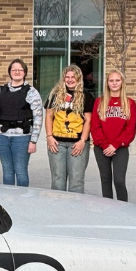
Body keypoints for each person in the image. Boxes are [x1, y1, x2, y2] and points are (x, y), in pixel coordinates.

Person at [0, 59, 44, 186]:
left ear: (25, 72)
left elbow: (38, 118)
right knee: (7, 171)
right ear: (9, 72)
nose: (17, 72)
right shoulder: (0, 90)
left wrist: (33, 141)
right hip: (2, 136)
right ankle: (9, 200)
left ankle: (22, 201)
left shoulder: (31, 92)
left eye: (20, 70)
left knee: (21, 171)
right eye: (14, 69)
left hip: (22, 138)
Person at [44, 64, 93, 193]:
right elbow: (49, 116)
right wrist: (49, 137)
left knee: (76, 181)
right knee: (57, 180)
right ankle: (58, 210)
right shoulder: (54, 95)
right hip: (57, 143)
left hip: (77, 143)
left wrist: (83, 141)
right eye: (67, 77)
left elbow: (88, 120)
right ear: (63, 78)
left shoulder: (86, 96)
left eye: (73, 77)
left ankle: (75, 211)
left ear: (79, 79)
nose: (70, 80)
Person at [90, 70, 136, 201]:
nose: (114, 83)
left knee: (119, 180)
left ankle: (124, 208)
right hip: (101, 147)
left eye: (117, 80)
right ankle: (108, 209)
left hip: (120, 148)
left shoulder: (130, 103)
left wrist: (115, 145)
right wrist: (105, 144)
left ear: (122, 82)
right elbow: (95, 126)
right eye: (111, 80)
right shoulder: (99, 102)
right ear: (107, 83)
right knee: (105, 180)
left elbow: (130, 129)